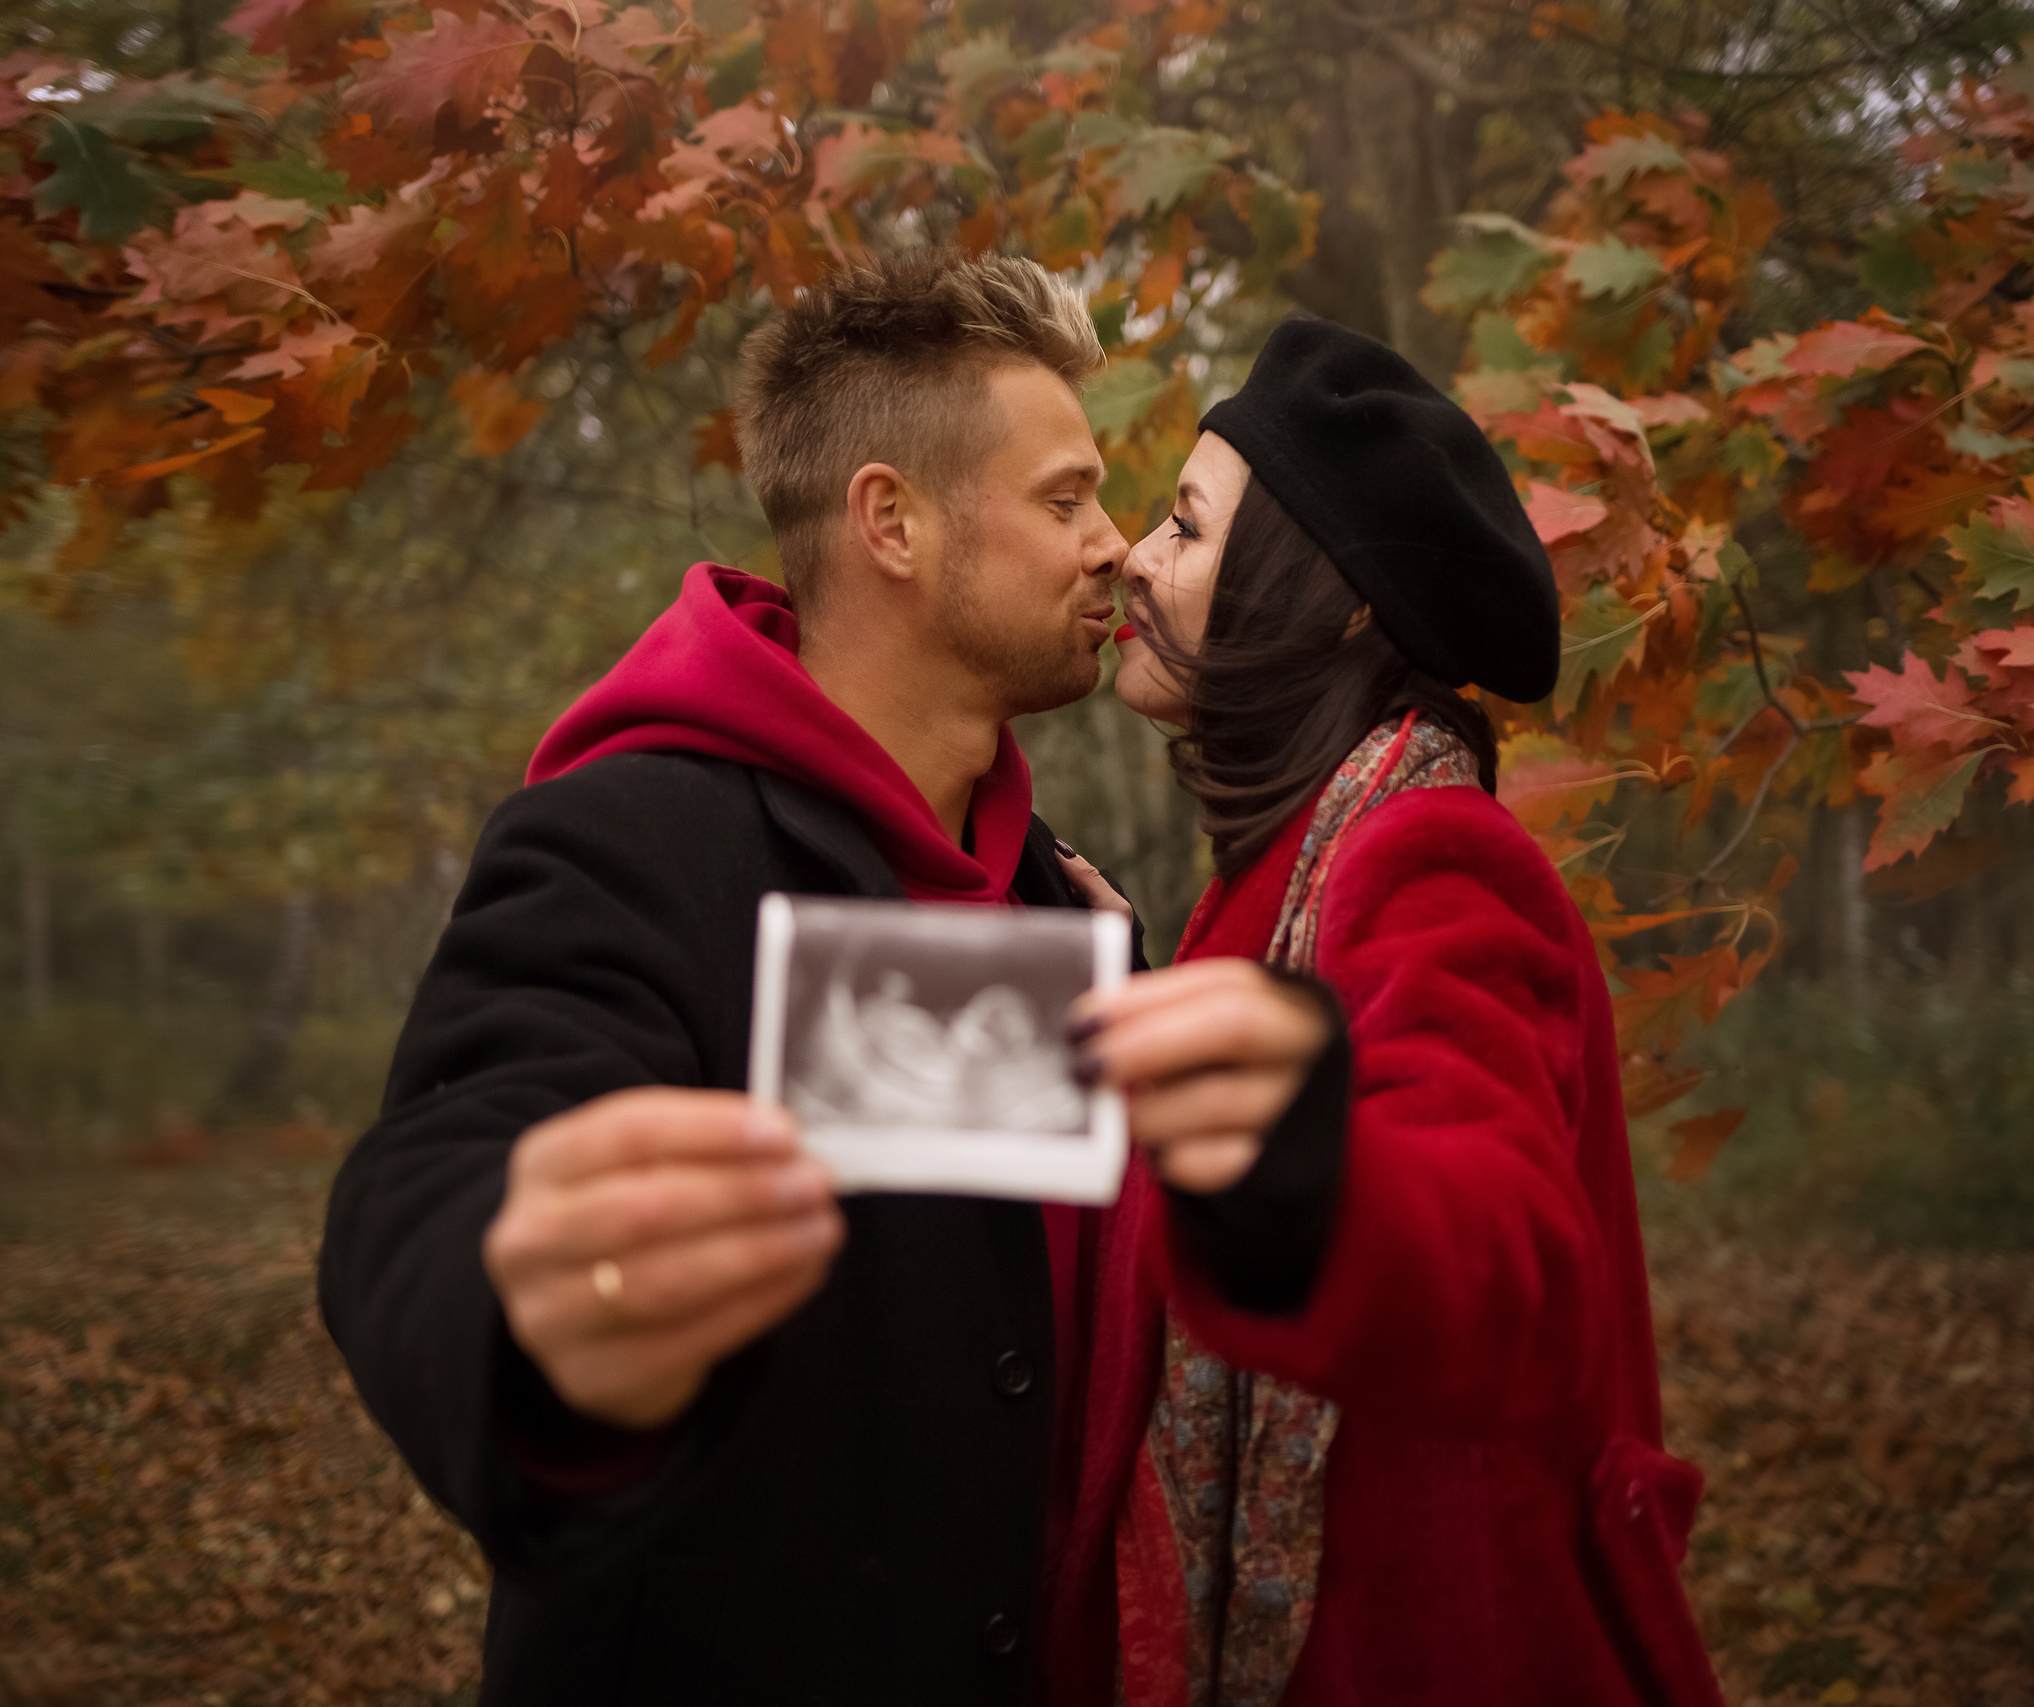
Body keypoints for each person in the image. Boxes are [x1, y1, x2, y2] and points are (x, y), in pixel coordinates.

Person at [315, 251, 1337, 1705]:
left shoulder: (1054, 901)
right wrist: (526, 1307)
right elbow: (441, 1172)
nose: (1113, 547)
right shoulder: (629, 841)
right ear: (892, 522)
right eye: (1065, 500)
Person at [1048, 317, 1723, 1706]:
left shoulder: (1431, 852)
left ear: (1338, 602)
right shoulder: (1291, 862)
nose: (1136, 559)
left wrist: (1312, 1175)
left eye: (1186, 525)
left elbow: (1502, 1231)